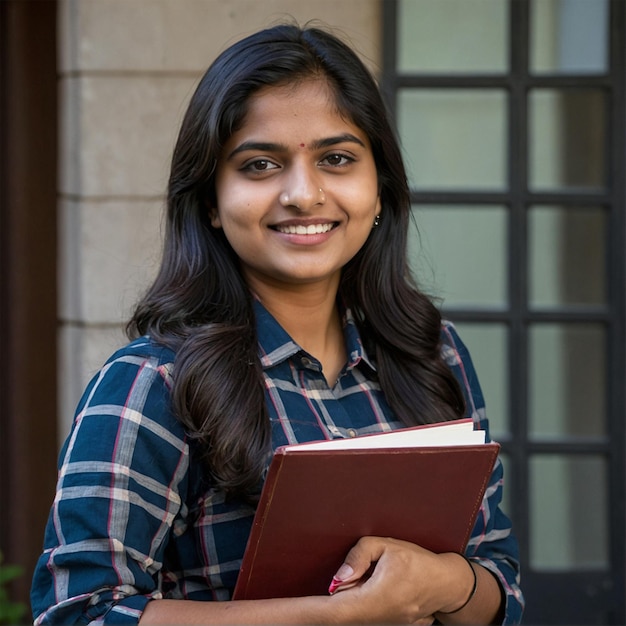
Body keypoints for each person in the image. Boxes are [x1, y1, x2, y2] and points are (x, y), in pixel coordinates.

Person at [31, 23, 524, 625]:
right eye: (260, 164)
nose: (302, 193)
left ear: (380, 185)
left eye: (336, 159)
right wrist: (339, 616)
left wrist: (444, 582)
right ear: (211, 200)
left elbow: (500, 582)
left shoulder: (432, 354)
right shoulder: (150, 384)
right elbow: (77, 614)